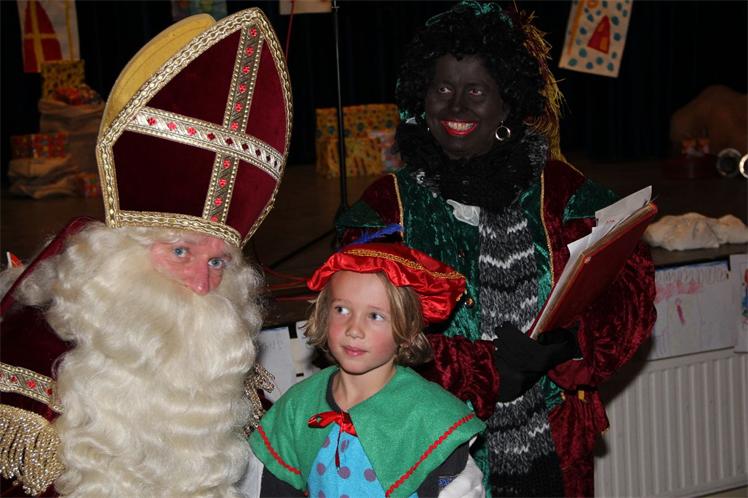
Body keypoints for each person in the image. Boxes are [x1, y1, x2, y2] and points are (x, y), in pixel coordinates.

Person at [337, 2, 656, 497]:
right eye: (442, 89)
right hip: (424, 454)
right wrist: (489, 372)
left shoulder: (563, 194)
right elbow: (358, 330)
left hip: (553, 450)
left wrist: (567, 346)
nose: (456, 107)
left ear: (507, 104)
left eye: (476, 91)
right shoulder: (386, 210)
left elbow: (629, 291)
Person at [0, 8, 291, 497]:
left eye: (217, 262)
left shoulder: (222, 356)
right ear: (118, 256)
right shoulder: (29, 355)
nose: (201, 285)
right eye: (180, 252)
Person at [249, 242, 486, 498]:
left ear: (407, 331)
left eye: (375, 316)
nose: (353, 329)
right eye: (342, 310)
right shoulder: (299, 405)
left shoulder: (429, 415)